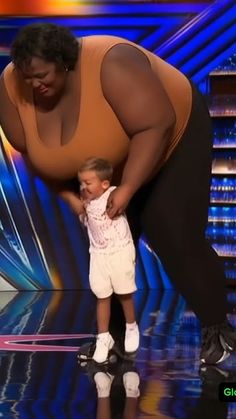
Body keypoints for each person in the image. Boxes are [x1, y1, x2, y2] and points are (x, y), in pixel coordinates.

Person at [0, 22, 235, 365]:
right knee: (106, 252)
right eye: (27, 77)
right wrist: (70, 198)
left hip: (170, 136)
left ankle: (220, 332)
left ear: (65, 63)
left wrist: (127, 190)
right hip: (110, 163)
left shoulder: (112, 63)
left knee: (170, 232)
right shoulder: (11, 87)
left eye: (42, 76)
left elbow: (156, 125)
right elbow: (35, 156)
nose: (33, 85)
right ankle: (112, 339)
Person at [75, 157, 139, 363]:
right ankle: (104, 337)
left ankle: (131, 326)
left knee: (124, 292)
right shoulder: (85, 200)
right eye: (81, 182)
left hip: (119, 250)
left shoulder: (113, 193)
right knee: (102, 295)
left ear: (104, 183)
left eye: (88, 182)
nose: (84, 186)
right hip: (99, 254)